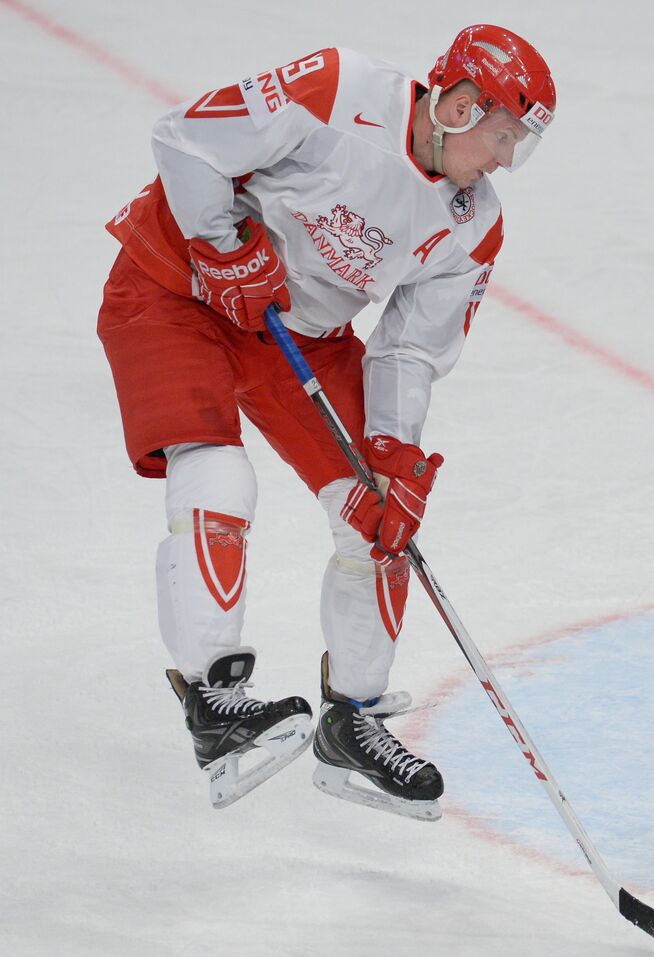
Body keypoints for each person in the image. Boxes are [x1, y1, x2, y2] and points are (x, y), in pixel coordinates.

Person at [97, 25, 556, 820]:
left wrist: (391, 445)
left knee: (382, 514)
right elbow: (187, 136)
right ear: (457, 103)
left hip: (296, 334)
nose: (506, 160)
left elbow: (410, 347)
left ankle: (352, 720)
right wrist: (223, 242)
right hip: (175, 287)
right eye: (502, 135)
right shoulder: (342, 88)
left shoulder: (474, 223)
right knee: (218, 473)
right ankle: (213, 701)